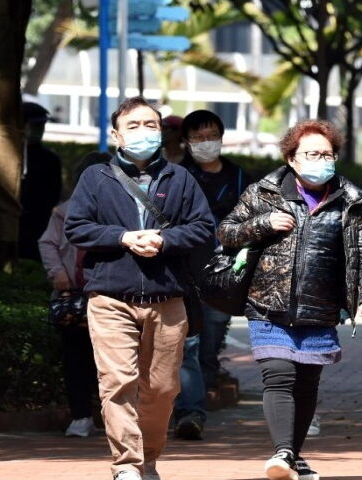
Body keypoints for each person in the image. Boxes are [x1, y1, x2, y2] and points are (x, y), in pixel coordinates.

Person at [217, 120, 362, 480]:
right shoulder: (264, 193)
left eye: (327, 154)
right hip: (267, 304)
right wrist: (263, 224)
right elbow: (227, 232)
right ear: (292, 159)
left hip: (320, 306)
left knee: (307, 384)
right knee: (278, 374)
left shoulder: (349, 201)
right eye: (311, 153)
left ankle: (292, 456)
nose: (320, 160)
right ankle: (282, 453)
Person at [64, 96, 214, 480]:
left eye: (151, 125)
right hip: (110, 298)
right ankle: (127, 466)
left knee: (162, 390)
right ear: (116, 134)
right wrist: (123, 237)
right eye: (133, 125)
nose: (144, 132)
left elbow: (202, 228)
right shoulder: (95, 178)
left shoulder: (181, 178)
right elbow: (76, 227)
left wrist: (164, 241)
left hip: (167, 298)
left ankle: (148, 460)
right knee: (117, 383)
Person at [172, 110, 252, 441]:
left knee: (208, 344)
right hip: (184, 271)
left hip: (223, 273)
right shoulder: (176, 176)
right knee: (186, 343)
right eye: (198, 137)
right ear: (186, 142)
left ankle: (196, 405)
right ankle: (190, 412)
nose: (206, 143)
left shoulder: (238, 178)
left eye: (211, 136)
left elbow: (254, 219)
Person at [39, 152, 111, 438]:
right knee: (75, 358)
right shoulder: (63, 212)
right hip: (73, 296)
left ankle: (115, 418)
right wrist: (56, 272)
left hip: (110, 297)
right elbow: (47, 243)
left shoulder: (123, 211)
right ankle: (81, 415)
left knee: (113, 361)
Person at [19, 102, 63, 261]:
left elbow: (54, 193)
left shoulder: (50, 159)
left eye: (42, 125)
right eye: (34, 125)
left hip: (39, 224)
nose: (39, 130)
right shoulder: (10, 156)